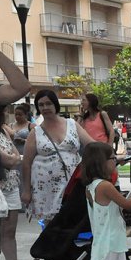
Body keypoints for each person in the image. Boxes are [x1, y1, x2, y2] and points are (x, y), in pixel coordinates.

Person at [21, 90, 95, 223]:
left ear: (55, 104)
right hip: (45, 188)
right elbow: (26, 163)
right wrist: (26, 190)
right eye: (41, 105)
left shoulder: (72, 124)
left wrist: (110, 155)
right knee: (52, 227)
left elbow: (92, 145)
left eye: (48, 103)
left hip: (73, 183)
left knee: (76, 222)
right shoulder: (35, 132)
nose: (45, 108)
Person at [0, 104, 29, 260]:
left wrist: (14, 158)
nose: (5, 114)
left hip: (11, 185)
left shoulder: (3, 130)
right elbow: (10, 159)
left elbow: (15, 155)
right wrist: (14, 158)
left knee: (10, 231)